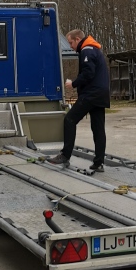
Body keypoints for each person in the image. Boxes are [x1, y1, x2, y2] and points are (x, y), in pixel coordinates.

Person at [47, 30, 110, 172]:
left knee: (69, 120)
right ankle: (98, 163)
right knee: (98, 128)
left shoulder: (86, 50)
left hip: (91, 94)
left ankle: (65, 155)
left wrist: (73, 83)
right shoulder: (95, 49)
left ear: (77, 39)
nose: (70, 46)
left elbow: (88, 73)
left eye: (71, 43)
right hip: (101, 94)